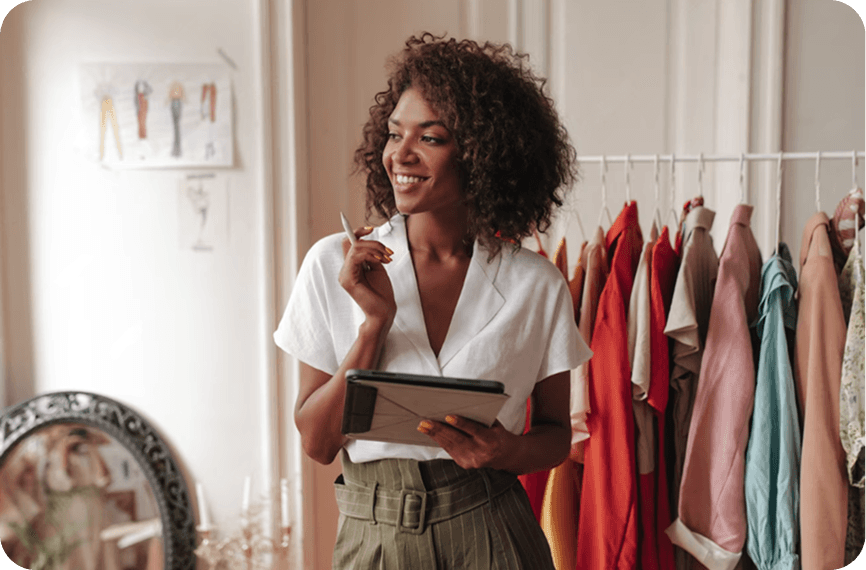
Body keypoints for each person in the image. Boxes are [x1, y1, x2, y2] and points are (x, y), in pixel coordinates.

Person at [274, 32, 591, 569]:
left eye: (431, 138)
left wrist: (506, 451)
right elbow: (318, 443)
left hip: (492, 528)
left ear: (484, 154)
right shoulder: (333, 264)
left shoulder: (535, 284)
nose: (400, 154)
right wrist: (374, 326)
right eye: (395, 133)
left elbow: (557, 436)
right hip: (373, 534)